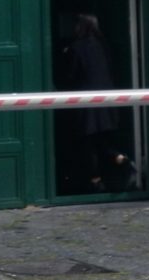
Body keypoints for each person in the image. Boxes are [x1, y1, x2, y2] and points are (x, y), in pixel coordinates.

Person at [58, 13, 137, 192]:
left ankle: (96, 180)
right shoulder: (103, 46)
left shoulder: (76, 48)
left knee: (88, 143)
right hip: (106, 101)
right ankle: (119, 159)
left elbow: (70, 75)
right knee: (101, 140)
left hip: (87, 104)